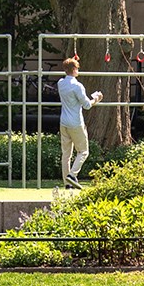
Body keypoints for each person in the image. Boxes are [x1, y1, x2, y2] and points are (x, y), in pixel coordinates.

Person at [56, 56, 103, 189]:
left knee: (66, 154)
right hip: (76, 123)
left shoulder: (61, 83)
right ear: (75, 69)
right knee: (83, 151)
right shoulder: (77, 86)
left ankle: (67, 183)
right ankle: (72, 175)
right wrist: (97, 98)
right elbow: (87, 105)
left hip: (64, 122)